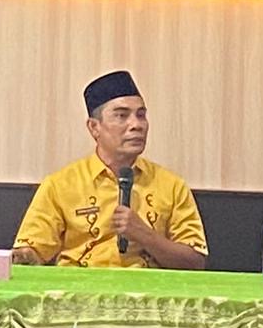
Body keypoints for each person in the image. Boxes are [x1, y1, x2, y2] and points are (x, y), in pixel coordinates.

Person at [12, 72, 207, 273]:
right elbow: (31, 253)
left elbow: (194, 262)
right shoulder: (60, 185)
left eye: (141, 115)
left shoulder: (171, 185)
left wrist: (144, 235)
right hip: (80, 296)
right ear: (94, 127)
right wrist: (22, 256)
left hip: (149, 297)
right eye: (122, 116)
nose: (136, 125)